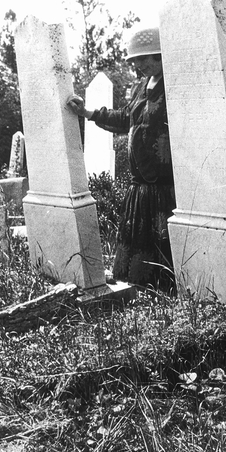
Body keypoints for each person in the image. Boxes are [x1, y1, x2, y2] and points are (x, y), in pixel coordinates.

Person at [66, 27, 175, 291]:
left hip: (162, 183)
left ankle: (164, 287)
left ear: (159, 56)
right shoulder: (141, 87)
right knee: (137, 241)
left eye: (142, 59)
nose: (137, 65)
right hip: (140, 184)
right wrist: (88, 112)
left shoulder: (171, 85)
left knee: (161, 241)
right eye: (135, 60)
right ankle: (137, 284)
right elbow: (125, 117)